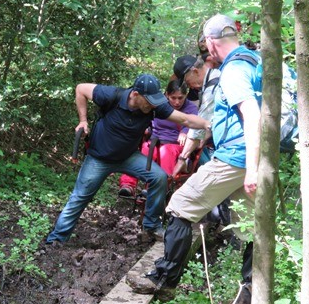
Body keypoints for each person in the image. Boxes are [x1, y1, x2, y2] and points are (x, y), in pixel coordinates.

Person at [128, 14, 261, 304]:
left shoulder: (234, 69)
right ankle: (251, 298)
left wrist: (250, 167)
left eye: (205, 44)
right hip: (254, 155)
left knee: (180, 205)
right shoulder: (255, 61)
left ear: (212, 42)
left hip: (237, 156)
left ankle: (164, 280)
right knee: (251, 227)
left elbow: (251, 114)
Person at [45, 73, 211, 245]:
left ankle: (151, 225)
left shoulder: (154, 106)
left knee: (159, 177)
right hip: (99, 159)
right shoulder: (112, 95)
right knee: (80, 197)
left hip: (128, 157)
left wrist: (208, 124)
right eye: (148, 101)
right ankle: (57, 238)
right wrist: (83, 120)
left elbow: (185, 119)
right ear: (135, 94)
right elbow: (81, 89)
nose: (152, 105)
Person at [118, 79, 198, 197]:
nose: (177, 102)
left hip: (175, 144)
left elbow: (194, 124)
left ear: (185, 96)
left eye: (180, 98)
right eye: (173, 98)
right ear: (167, 95)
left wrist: (185, 131)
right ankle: (128, 185)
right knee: (144, 149)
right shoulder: (159, 105)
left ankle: (157, 188)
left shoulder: (190, 108)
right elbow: (148, 119)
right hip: (155, 140)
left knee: (166, 152)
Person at [171, 53, 221, 175]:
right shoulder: (215, 77)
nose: (189, 86)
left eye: (187, 82)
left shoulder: (213, 87)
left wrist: (182, 158)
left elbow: (198, 126)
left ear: (195, 71)